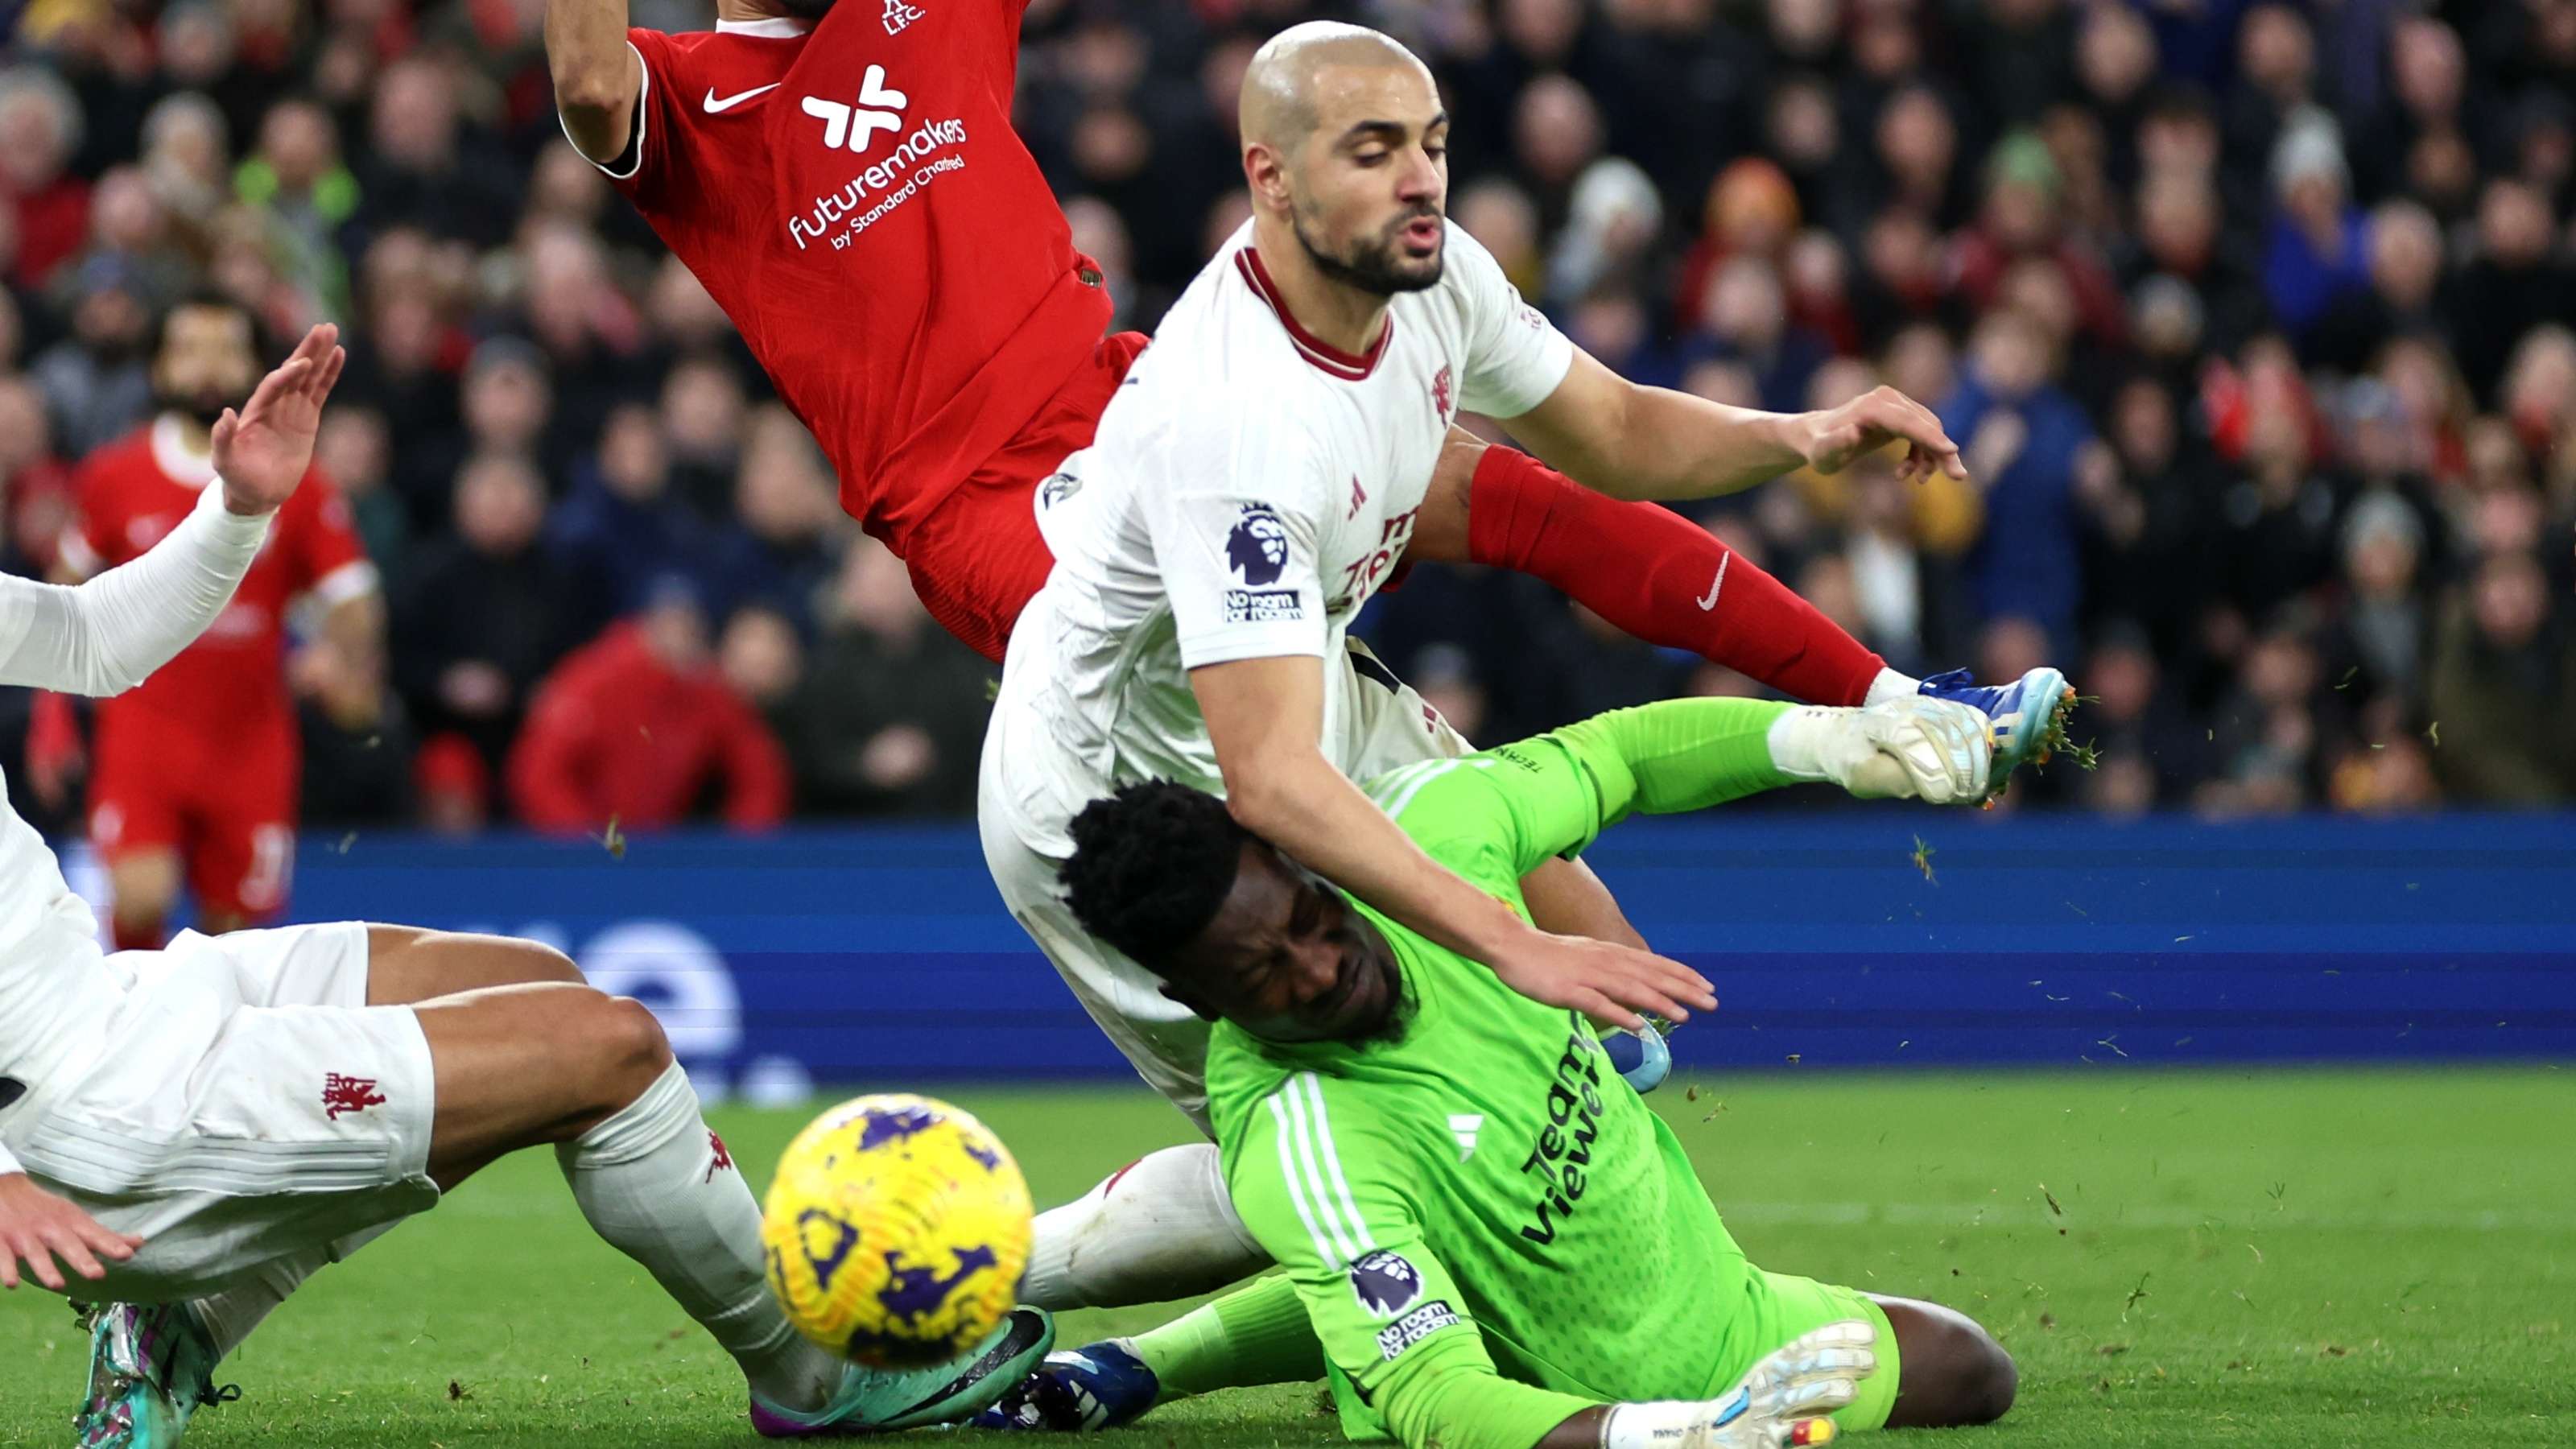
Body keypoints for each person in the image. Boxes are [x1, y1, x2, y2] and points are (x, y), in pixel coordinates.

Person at [980, 20, 2040, 1314]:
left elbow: (1620, 433)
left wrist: (1806, 434)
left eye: (1429, 145)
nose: (1419, 178)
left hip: (1291, 689)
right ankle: (948, 1282)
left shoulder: (1431, 278)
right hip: (1119, 796)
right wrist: (1502, 950)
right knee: (1329, 1119)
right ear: (1272, 179)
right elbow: (1264, 780)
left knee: (1602, 985)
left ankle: (1595, 1284)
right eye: (1371, 152)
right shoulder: (1236, 424)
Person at [2, 327, 1052, 1447]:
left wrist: (238, 510)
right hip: (94, 1107)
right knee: (613, 1053)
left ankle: (179, 1326)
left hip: (120, 1008)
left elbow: (95, 639)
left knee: (534, 983)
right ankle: (812, 1379)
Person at [980, 693, 2017, 1447]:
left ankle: (1137, 1364)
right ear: (1206, 1007)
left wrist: (1826, 740)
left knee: (1975, 1371)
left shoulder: (1430, 829)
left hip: (1729, 1313)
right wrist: (1674, 1435)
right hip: (1578, 1404)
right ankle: (1150, 1362)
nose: (1321, 968)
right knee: (1406, 1280)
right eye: (1264, 976)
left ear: (1309, 862)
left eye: (1307, 919)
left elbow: (1622, 756)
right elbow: (1438, 1399)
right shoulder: (1304, 1144)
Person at [54, 291, 383, 949]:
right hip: (142, 730)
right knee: (141, 897)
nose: (207, 367)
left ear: (255, 366)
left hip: (251, 738)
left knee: (236, 933)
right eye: (189, 349)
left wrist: (342, 660)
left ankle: (219, 1048)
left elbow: (352, 598)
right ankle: (138, 1038)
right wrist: (52, 719)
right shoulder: (112, 476)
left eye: (226, 349)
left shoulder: (297, 481)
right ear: (157, 369)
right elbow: (61, 596)